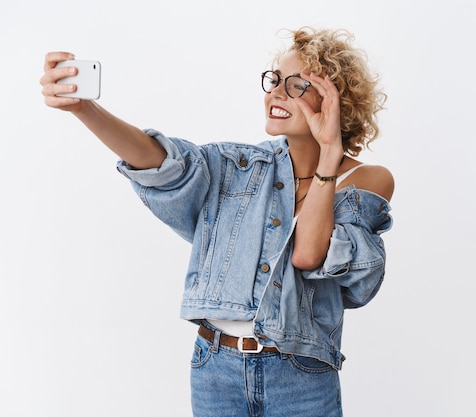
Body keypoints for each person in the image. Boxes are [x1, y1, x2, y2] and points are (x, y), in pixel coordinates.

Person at [40, 27, 394, 417]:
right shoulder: (238, 167)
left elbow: (309, 254)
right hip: (215, 368)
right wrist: (84, 109)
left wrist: (329, 154)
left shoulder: (368, 179)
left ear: (335, 102)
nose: (276, 93)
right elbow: (162, 162)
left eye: (297, 85)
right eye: (275, 80)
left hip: (300, 375)